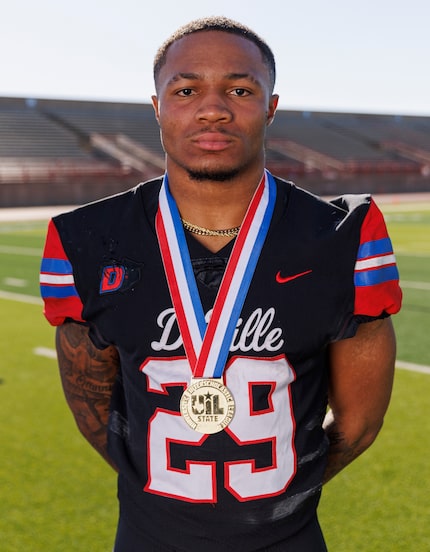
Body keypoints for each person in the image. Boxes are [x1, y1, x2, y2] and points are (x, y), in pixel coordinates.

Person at [40, 16, 402, 551]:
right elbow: (90, 409)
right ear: (158, 106)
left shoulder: (340, 237)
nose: (213, 108)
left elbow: (360, 423)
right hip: (147, 538)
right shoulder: (86, 240)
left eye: (240, 88)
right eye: (186, 90)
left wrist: (283, 490)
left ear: (271, 106)